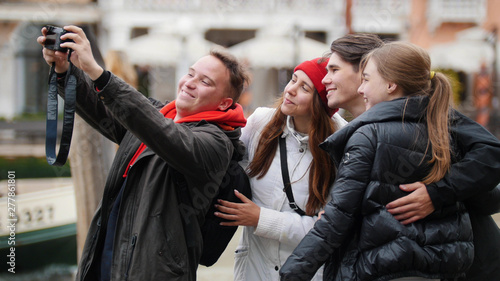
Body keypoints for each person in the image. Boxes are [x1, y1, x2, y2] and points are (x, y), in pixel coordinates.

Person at [37, 25, 249, 281]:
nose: (189, 83)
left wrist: (96, 71)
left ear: (225, 103)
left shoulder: (216, 143)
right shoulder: (158, 115)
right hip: (110, 253)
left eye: (205, 82)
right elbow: (103, 108)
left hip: (153, 270)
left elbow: (161, 132)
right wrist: (64, 70)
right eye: (191, 74)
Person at [281, 41, 479, 281]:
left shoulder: (369, 134)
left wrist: (292, 273)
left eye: (366, 79)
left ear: (390, 85)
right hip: (442, 267)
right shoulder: (443, 129)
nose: (361, 89)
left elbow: (338, 217)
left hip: (384, 267)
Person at [214, 57, 347, 280]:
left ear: (321, 101)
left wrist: (260, 218)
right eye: (293, 80)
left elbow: (331, 229)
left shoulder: (342, 142)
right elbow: (224, 165)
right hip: (253, 269)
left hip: (308, 273)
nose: (290, 90)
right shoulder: (260, 123)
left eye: (304, 87)